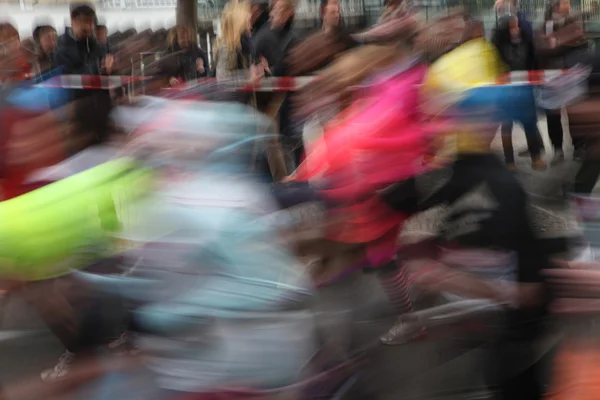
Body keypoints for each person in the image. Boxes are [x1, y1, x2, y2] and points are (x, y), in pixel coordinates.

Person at [537, 0, 591, 165]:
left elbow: (583, 45)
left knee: (575, 115)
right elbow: (541, 49)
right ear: (555, 6)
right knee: (552, 116)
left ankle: (579, 148)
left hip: (570, 76)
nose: (567, 6)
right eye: (564, 3)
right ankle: (557, 149)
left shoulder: (573, 24)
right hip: (551, 78)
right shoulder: (544, 26)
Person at [492, 15, 546, 170]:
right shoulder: (497, 46)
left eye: (517, 26)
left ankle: (536, 158)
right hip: (505, 92)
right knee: (506, 127)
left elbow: (534, 63)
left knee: (530, 123)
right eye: (512, 27)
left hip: (525, 90)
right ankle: (510, 162)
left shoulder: (527, 42)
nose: (516, 29)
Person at [55, 3, 113, 75]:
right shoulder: (62, 52)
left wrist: (110, 70)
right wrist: (98, 68)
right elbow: (71, 80)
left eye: (92, 22)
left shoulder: (101, 49)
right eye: (86, 21)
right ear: (73, 22)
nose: (90, 26)